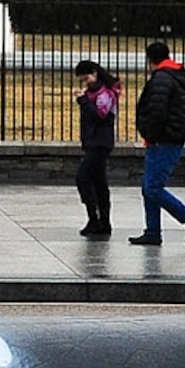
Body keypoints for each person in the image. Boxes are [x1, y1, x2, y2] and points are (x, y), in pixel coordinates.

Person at [130, 40, 185, 247]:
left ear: (149, 59)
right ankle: (152, 231)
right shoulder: (170, 76)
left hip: (164, 140)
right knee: (148, 187)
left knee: (152, 188)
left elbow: (157, 111)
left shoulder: (161, 79)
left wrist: (151, 135)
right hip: (167, 138)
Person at [71, 57, 121, 237]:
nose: (85, 82)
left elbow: (100, 115)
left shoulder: (105, 93)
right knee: (99, 182)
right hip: (93, 141)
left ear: (95, 74)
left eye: (86, 78)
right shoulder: (93, 92)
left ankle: (95, 217)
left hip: (100, 142)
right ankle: (103, 222)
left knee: (83, 178)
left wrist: (83, 101)